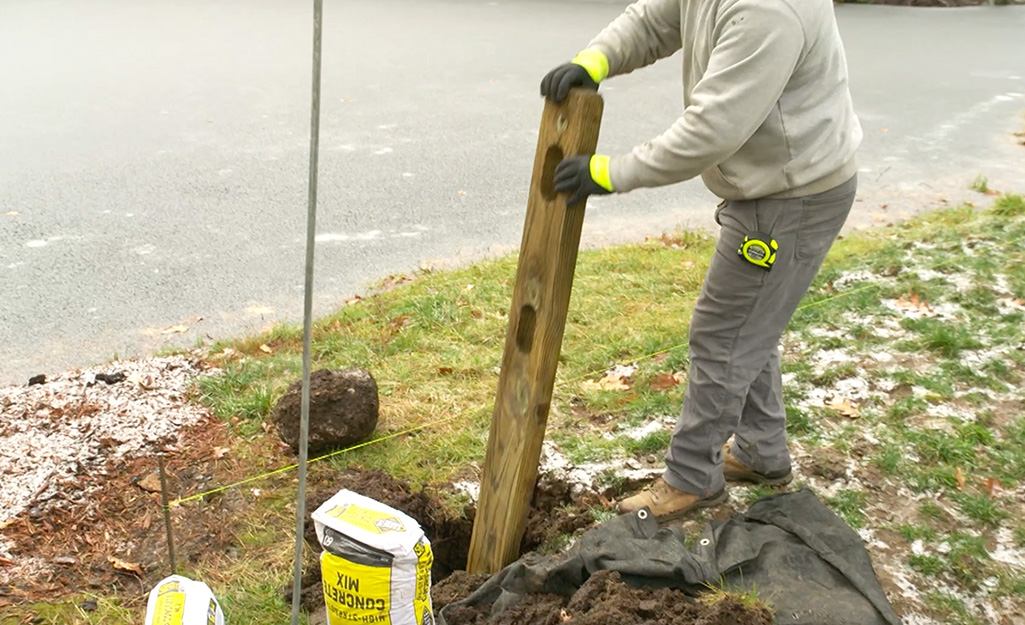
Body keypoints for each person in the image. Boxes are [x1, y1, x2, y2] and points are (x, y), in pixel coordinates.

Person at [541, 0, 863, 520]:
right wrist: (595, 60)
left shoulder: (771, 12)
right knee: (747, 322)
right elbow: (656, 18)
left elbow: (712, 129)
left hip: (791, 196)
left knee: (722, 333)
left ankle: (693, 479)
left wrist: (610, 173)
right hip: (774, 184)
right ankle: (762, 450)